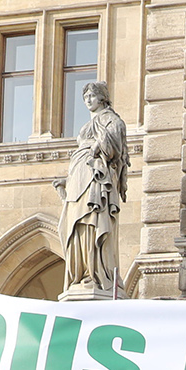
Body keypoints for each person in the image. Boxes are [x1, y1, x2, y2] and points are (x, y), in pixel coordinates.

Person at [52, 81, 129, 297]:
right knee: (73, 226)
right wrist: (67, 182)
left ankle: (95, 274)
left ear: (102, 97)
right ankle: (81, 273)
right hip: (79, 175)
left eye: (91, 95)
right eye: (85, 96)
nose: (87, 100)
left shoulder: (112, 120)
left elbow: (114, 149)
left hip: (97, 176)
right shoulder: (88, 125)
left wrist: (98, 146)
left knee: (92, 222)